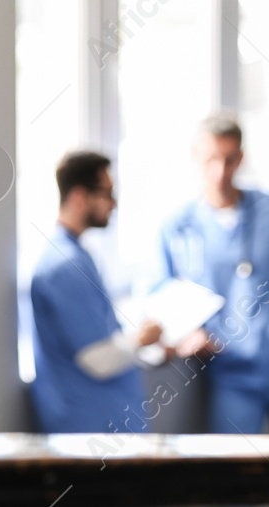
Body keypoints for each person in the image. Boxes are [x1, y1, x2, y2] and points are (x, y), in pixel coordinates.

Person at [155, 113, 269, 434]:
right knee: (235, 470)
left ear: (241, 158)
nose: (220, 172)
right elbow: (156, 290)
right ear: (196, 159)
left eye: (230, 160)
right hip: (231, 373)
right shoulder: (178, 225)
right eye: (211, 160)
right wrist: (182, 335)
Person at [30, 150, 164, 433]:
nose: (113, 204)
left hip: (104, 421)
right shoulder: (64, 267)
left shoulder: (76, 255)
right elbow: (98, 359)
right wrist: (142, 338)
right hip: (91, 428)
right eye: (107, 193)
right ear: (79, 197)